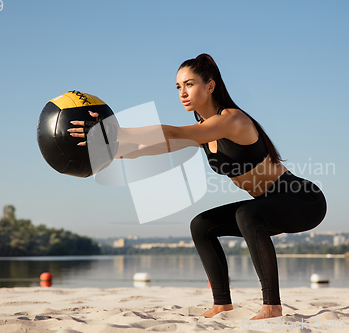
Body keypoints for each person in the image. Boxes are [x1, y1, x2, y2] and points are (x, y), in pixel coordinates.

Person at [68, 53, 327, 320]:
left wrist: (112, 130)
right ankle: (221, 304)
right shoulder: (203, 131)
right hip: (268, 206)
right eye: (178, 87)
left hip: (302, 199)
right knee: (201, 225)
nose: (182, 92)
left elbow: (174, 133)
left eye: (189, 84)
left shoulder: (231, 119)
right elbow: (147, 148)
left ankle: (272, 305)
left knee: (247, 214)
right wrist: (104, 148)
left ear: (210, 86)